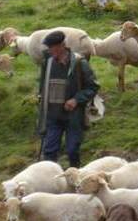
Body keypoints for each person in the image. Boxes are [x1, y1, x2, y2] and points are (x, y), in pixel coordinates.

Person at [36, 30, 99, 167]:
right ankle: (49, 180)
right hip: (53, 116)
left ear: (62, 46)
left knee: (72, 151)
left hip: (73, 117)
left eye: (53, 48)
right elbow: (42, 86)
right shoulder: (47, 63)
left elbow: (93, 87)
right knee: (49, 152)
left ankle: (75, 178)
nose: (51, 51)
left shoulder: (79, 63)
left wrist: (76, 99)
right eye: (50, 48)